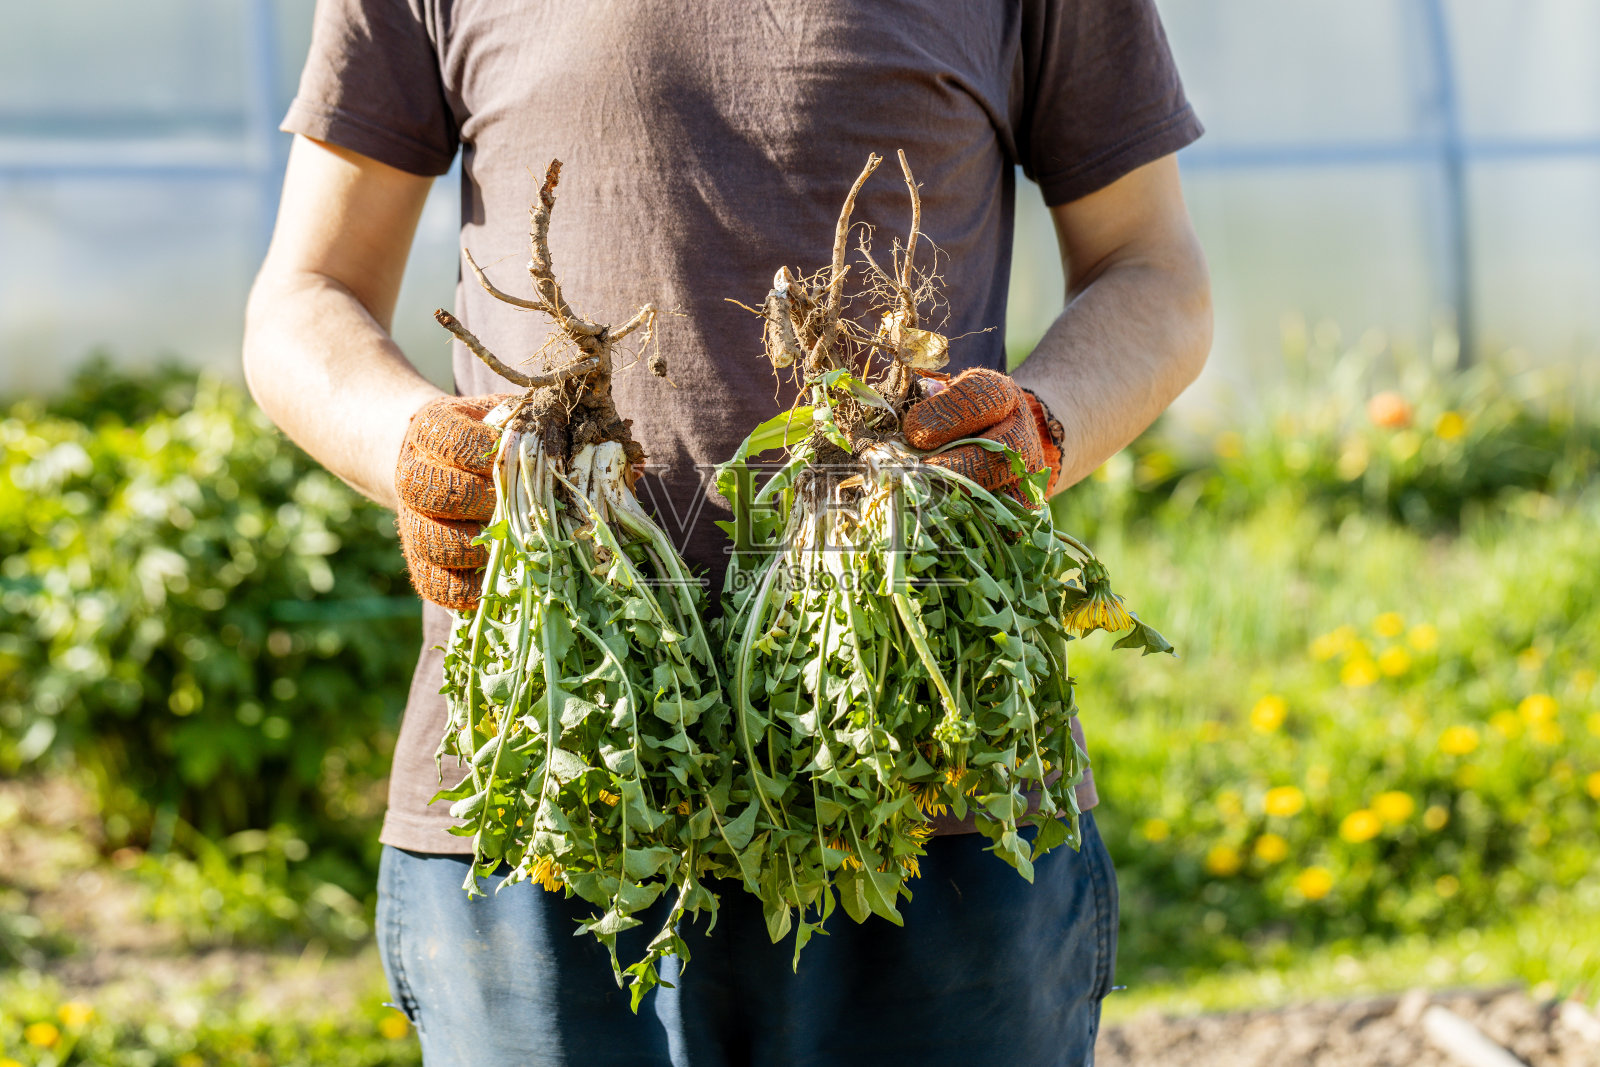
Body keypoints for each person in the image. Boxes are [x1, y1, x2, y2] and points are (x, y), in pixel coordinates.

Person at [243, 1, 1211, 1063]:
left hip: (924, 770)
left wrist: (1037, 429)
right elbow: (306, 293)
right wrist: (413, 446)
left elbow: (1151, 270)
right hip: (554, 774)